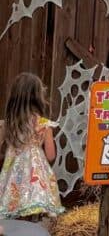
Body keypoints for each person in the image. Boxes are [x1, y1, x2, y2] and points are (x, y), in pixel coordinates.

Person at [0, 73, 64, 223]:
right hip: (36, 180)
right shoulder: (43, 124)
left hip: (12, 179)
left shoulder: (7, 124)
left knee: (14, 214)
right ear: (38, 96)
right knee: (32, 214)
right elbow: (50, 155)